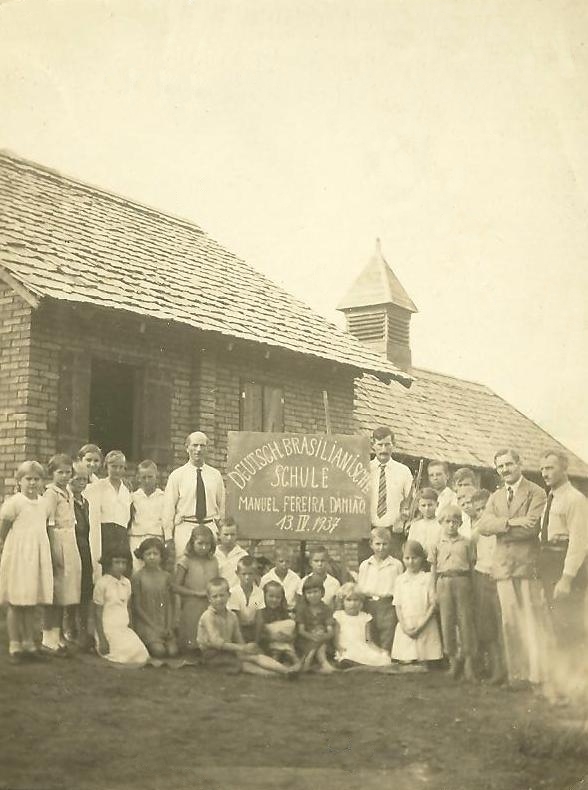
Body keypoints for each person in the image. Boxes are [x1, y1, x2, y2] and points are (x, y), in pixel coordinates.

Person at [477, 448, 550, 687]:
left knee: (531, 620)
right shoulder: (496, 496)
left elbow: (531, 528)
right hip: (503, 568)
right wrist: (511, 522)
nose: (505, 470)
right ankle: (517, 675)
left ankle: (537, 675)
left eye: (508, 464)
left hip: (526, 565)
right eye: (500, 466)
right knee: (510, 623)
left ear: (519, 464)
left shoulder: (536, 492)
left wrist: (500, 527)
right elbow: (483, 526)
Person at [0, 461, 53, 664]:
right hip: (18, 555)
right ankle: (15, 644)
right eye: (28, 479)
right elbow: (4, 527)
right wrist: (7, 546)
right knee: (16, 601)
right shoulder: (14, 502)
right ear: (19, 481)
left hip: (36, 555)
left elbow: (44, 527)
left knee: (30, 601)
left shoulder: (44, 503)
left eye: (36, 479)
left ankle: (29, 642)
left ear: (42, 482)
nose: (32, 483)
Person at [538, 450, 588, 653]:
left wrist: (567, 578)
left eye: (550, 468)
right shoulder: (551, 498)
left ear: (564, 468)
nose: (544, 473)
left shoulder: (575, 499)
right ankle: (562, 670)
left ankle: (576, 670)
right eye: (542, 469)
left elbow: (579, 542)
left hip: (565, 564)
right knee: (554, 623)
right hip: (549, 563)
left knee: (570, 623)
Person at [197, 577, 297, 676]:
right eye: (215, 596)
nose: (219, 599)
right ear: (209, 599)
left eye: (222, 595)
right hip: (212, 654)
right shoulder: (208, 616)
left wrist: (246, 648)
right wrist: (242, 648)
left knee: (254, 656)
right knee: (243, 664)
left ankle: (286, 670)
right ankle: (278, 674)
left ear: (229, 595)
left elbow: (238, 637)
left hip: (229, 650)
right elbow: (216, 642)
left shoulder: (232, 616)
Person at [162, 431, 226, 561]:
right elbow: (168, 508)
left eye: (202, 446)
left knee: (211, 565)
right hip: (185, 527)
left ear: (207, 449)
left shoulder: (215, 475)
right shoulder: (177, 475)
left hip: (209, 526)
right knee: (184, 565)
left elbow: (222, 506)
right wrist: (168, 537)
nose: (198, 449)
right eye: (195, 445)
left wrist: (221, 531)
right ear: (187, 448)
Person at [430, 505, 476, 681]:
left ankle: (469, 664)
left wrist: (473, 588)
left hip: (462, 581)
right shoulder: (436, 543)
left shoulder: (467, 542)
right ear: (441, 523)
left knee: (465, 622)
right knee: (447, 622)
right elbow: (433, 569)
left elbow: (472, 567)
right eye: (447, 521)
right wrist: (433, 591)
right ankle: (453, 662)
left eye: (455, 522)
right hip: (444, 582)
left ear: (460, 523)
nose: (451, 525)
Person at [42, 454, 82, 655]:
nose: (65, 476)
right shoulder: (51, 493)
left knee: (66, 592)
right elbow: (48, 523)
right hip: (57, 539)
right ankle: (48, 636)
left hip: (70, 540)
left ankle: (58, 635)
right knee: (55, 591)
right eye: (60, 472)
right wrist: (54, 550)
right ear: (52, 473)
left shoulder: (68, 492)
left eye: (68, 472)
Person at [470, 489, 505, 684]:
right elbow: (472, 556)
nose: (482, 512)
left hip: (501, 579)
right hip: (482, 577)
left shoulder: (501, 529)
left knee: (502, 624)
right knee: (486, 625)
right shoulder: (476, 533)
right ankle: (494, 669)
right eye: (478, 510)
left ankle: (507, 670)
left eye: (485, 508)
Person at [93, 552, 149, 668]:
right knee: (123, 655)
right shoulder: (102, 583)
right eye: (117, 562)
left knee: (141, 653)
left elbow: (127, 607)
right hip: (108, 629)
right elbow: (97, 613)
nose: (121, 566)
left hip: (123, 628)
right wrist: (102, 639)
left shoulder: (126, 583)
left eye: (124, 563)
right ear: (109, 563)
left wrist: (131, 629)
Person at [392, 540, 443, 665]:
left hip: (425, 623)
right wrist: (404, 627)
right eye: (407, 558)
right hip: (406, 624)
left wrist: (421, 626)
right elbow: (398, 606)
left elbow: (433, 605)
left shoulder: (427, 578)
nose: (410, 562)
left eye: (414, 558)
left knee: (426, 661)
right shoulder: (400, 580)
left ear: (421, 559)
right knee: (407, 661)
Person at [367, 426, 413, 562]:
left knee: (395, 568)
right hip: (369, 532)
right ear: (373, 445)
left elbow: (411, 501)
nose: (384, 449)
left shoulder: (404, 471)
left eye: (387, 444)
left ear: (394, 445)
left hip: (394, 533)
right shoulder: (364, 469)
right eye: (380, 445)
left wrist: (404, 520)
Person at [86, 450, 133, 581]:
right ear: (106, 466)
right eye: (114, 466)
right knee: (105, 570)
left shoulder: (126, 490)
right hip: (105, 534)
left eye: (121, 467)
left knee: (122, 572)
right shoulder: (98, 486)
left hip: (122, 535)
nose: (117, 470)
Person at [172, 524, 219, 653]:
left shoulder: (214, 561)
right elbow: (175, 587)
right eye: (200, 543)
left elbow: (216, 582)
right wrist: (196, 593)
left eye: (207, 544)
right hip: (191, 604)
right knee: (191, 646)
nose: (204, 547)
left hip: (210, 604)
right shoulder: (185, 561)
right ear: (192, 543)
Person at [357, 526, 403, 651]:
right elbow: (360, 588)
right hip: (369, 604)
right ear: (371, 544)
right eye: (377, 544)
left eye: (385, 544)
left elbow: (400, 589)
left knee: (387, 639)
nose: (381, 548)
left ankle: (385, 658)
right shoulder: (365, 565)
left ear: (390, 544)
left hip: (388, 606)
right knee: (370, 638)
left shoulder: (396, 565)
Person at [131, 538, 178, 659]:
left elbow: (169, 604)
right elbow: (137, 606)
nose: (152, 557)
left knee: (173, 652)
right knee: (159, 651)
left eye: (155, 554)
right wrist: (154, 627)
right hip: (146, 623)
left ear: (161, 556)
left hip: (163, 621)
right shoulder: (137, 577)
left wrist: (168, 626)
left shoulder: (166, 576)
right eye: (148, 554)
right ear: (142, 556)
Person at [333, 583, 391, 668]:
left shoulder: (365, 617)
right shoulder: (339, 616)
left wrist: (379, 650)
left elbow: (368, 640)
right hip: (346, 647)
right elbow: (336, 640)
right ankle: (350, 662)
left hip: (362, 647)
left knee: (384, 657)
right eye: (349, 600)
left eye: (356, 600)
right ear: (342, 602)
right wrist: (339, 648)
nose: (353, 603)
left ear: (361, 602)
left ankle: (358, 664)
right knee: (348, 655)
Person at [68, 461, 94, 651]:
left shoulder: (85, 502)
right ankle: (69, 628)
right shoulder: (66, 500)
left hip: (85, 548)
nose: (81, 483)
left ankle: (83, 630)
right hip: (71, 546)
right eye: (77, 479)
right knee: (70, 588)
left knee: (85, 588)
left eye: (84, 479)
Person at [129, 460, 166, 573]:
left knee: (155, 571)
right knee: (137, 570)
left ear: (156, 476)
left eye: (150, 477)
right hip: (137, 538)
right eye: (143, 477)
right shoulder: (133, 497)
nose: (147, 480)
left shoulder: (163, 497)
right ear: (138, 478)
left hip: (156, 537)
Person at [295, 574, 336, 673]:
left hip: (322, 639)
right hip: (306, 639)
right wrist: (313, 637)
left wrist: (321, 636)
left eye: (315, 592)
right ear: (304, 595)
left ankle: (314, 661)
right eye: (309, 593)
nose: (313, 595)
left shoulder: (326, 609)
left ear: (322, 593)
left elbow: (330, 631)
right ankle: (320, 663)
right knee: (315, 643)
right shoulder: (302, 609)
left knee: (322, 644)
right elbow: (301, 630)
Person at [255, 580, 299, 667]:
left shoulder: (282, 611)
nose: (274, 600)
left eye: (278, 597)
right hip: (267, 644)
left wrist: (289, 637)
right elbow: (259, 634)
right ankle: (284, 661)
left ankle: (286, 661)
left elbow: (291, 628)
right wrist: (272, 637)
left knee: (290, 623)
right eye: (271, 596)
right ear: (264, 596)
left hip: (283, 641)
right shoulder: (261, 612)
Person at [228, 556, 265, 642]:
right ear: (237, 573)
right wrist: (242, 644)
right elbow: (236, 620)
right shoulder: (233, 592)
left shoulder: (259, 592)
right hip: (236, 629)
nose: (247, 577)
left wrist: (256, 641)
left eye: (250, 574)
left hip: (252, 628)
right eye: (244, 574)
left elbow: (259, 619)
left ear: (256, 573)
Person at [260, 545, 301, 612]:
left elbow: (299, 599)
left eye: (288, 561)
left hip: (290, 611)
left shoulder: (296, 578)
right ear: (274, 561)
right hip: (270, 612)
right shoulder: (266, 579)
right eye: (281, 561)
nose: (284, 564)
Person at [407, 488, 442, 559]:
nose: (427, 508)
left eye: (430, 505)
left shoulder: (441, 525)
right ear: (419, 507)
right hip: (418, 560)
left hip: (436, 559)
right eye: (423, 505)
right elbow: (410, 546)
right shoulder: (415, 526)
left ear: (437, 505)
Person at [215, 519, 249, 589]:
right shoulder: (213, 554)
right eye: (226, 534)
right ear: (219, 535)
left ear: (237, 535)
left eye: (232, 534)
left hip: (236, 593)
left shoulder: (243, 555)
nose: (229, 538)